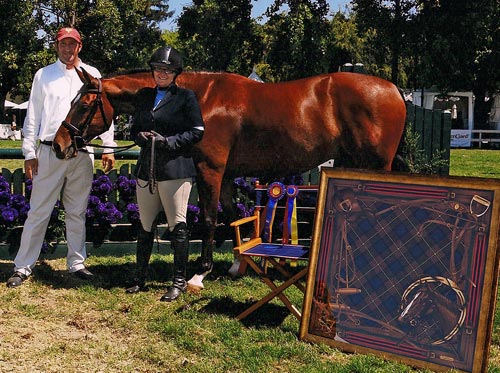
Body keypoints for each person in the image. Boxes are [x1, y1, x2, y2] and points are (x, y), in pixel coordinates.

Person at [6, 27, 116, 288]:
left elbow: (104, 114)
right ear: (57, 46)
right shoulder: (43, 75)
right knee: (39, 211)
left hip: (81, 152)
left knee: (77, 211)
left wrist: (109, 145)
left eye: (73, 44)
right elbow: (32, 116)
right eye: (63, 44)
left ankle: (76, 263)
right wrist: (29, 153)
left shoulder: (93, 75)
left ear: (80, 46)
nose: (68, 49)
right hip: (49, 152)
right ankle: (23, 267)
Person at [125, 46, 204, 301]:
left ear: (175, 73)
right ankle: (139, 277)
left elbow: (196, 131)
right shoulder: (144, 96)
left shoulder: (186, 97)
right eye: (159, 69)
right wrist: (141, 136)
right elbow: (134, 128)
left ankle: (178, 281)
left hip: (175, 170)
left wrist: (168, 141)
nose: (162, 73)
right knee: (145, 225)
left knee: (177, 225)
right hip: (146, 169)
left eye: (168, 70)